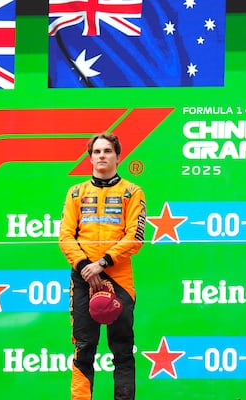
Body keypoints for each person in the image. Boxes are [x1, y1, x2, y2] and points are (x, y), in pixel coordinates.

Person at [59, 133, 146, 400]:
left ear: (118, 157)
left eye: (107, 151)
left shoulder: (132, 192)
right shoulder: (75, 192)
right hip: (83, 276)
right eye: (96, 152)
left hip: (118, 276)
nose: (102, 156)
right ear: (90, 157)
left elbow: (135, 237)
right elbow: (65, 236)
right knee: (84, 347)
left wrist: (102, 263)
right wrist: (86, 265)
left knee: (122, 348)